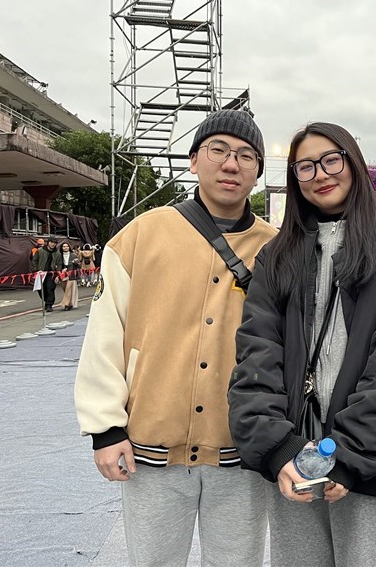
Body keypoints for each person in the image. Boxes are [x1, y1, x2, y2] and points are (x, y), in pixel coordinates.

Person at [228, 122, 376, 567]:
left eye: (332, 159)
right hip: (298, 453)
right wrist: (279, 449)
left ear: (352, 162)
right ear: (294, 177)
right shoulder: (278, 255)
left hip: (370, 457)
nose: (321, 173)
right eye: (306, 166)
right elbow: (257, 353)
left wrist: (351, 455)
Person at [74, 110, 276, 566]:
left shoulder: (279, 248)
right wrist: (105, 429)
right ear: (193, 161)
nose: (231, 164)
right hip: (152, 451)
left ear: (258, 171)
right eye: (218, 150)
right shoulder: (141, 236)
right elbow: (106, 334)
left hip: (242, 452)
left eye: (246, 156)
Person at [31, 237, 63, 312]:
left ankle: (49, 304)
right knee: (40, 289)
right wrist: (36, 270)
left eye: (54, 243)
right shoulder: (40, 251)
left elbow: (59, 264)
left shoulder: (57, 253)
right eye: (51, 242)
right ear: (48, 242)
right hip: (40, 273)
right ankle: (46, 300)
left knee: (50, 288)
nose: (53, 244)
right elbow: (34, 261)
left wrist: (58, 275)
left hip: (51, 274)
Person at [57, 241, 81, 310]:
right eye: (64, 246)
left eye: (67, 246)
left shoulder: (73, 255)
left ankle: (66, 304)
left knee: (68, 289)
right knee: (65, 289)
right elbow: (58, 265)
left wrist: (75, 263)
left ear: (69, 247)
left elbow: (79, 265)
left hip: (71, 274)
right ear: (61, 248)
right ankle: (70, 303)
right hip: (63, 274)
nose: (65, 248)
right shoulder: (59, 255)